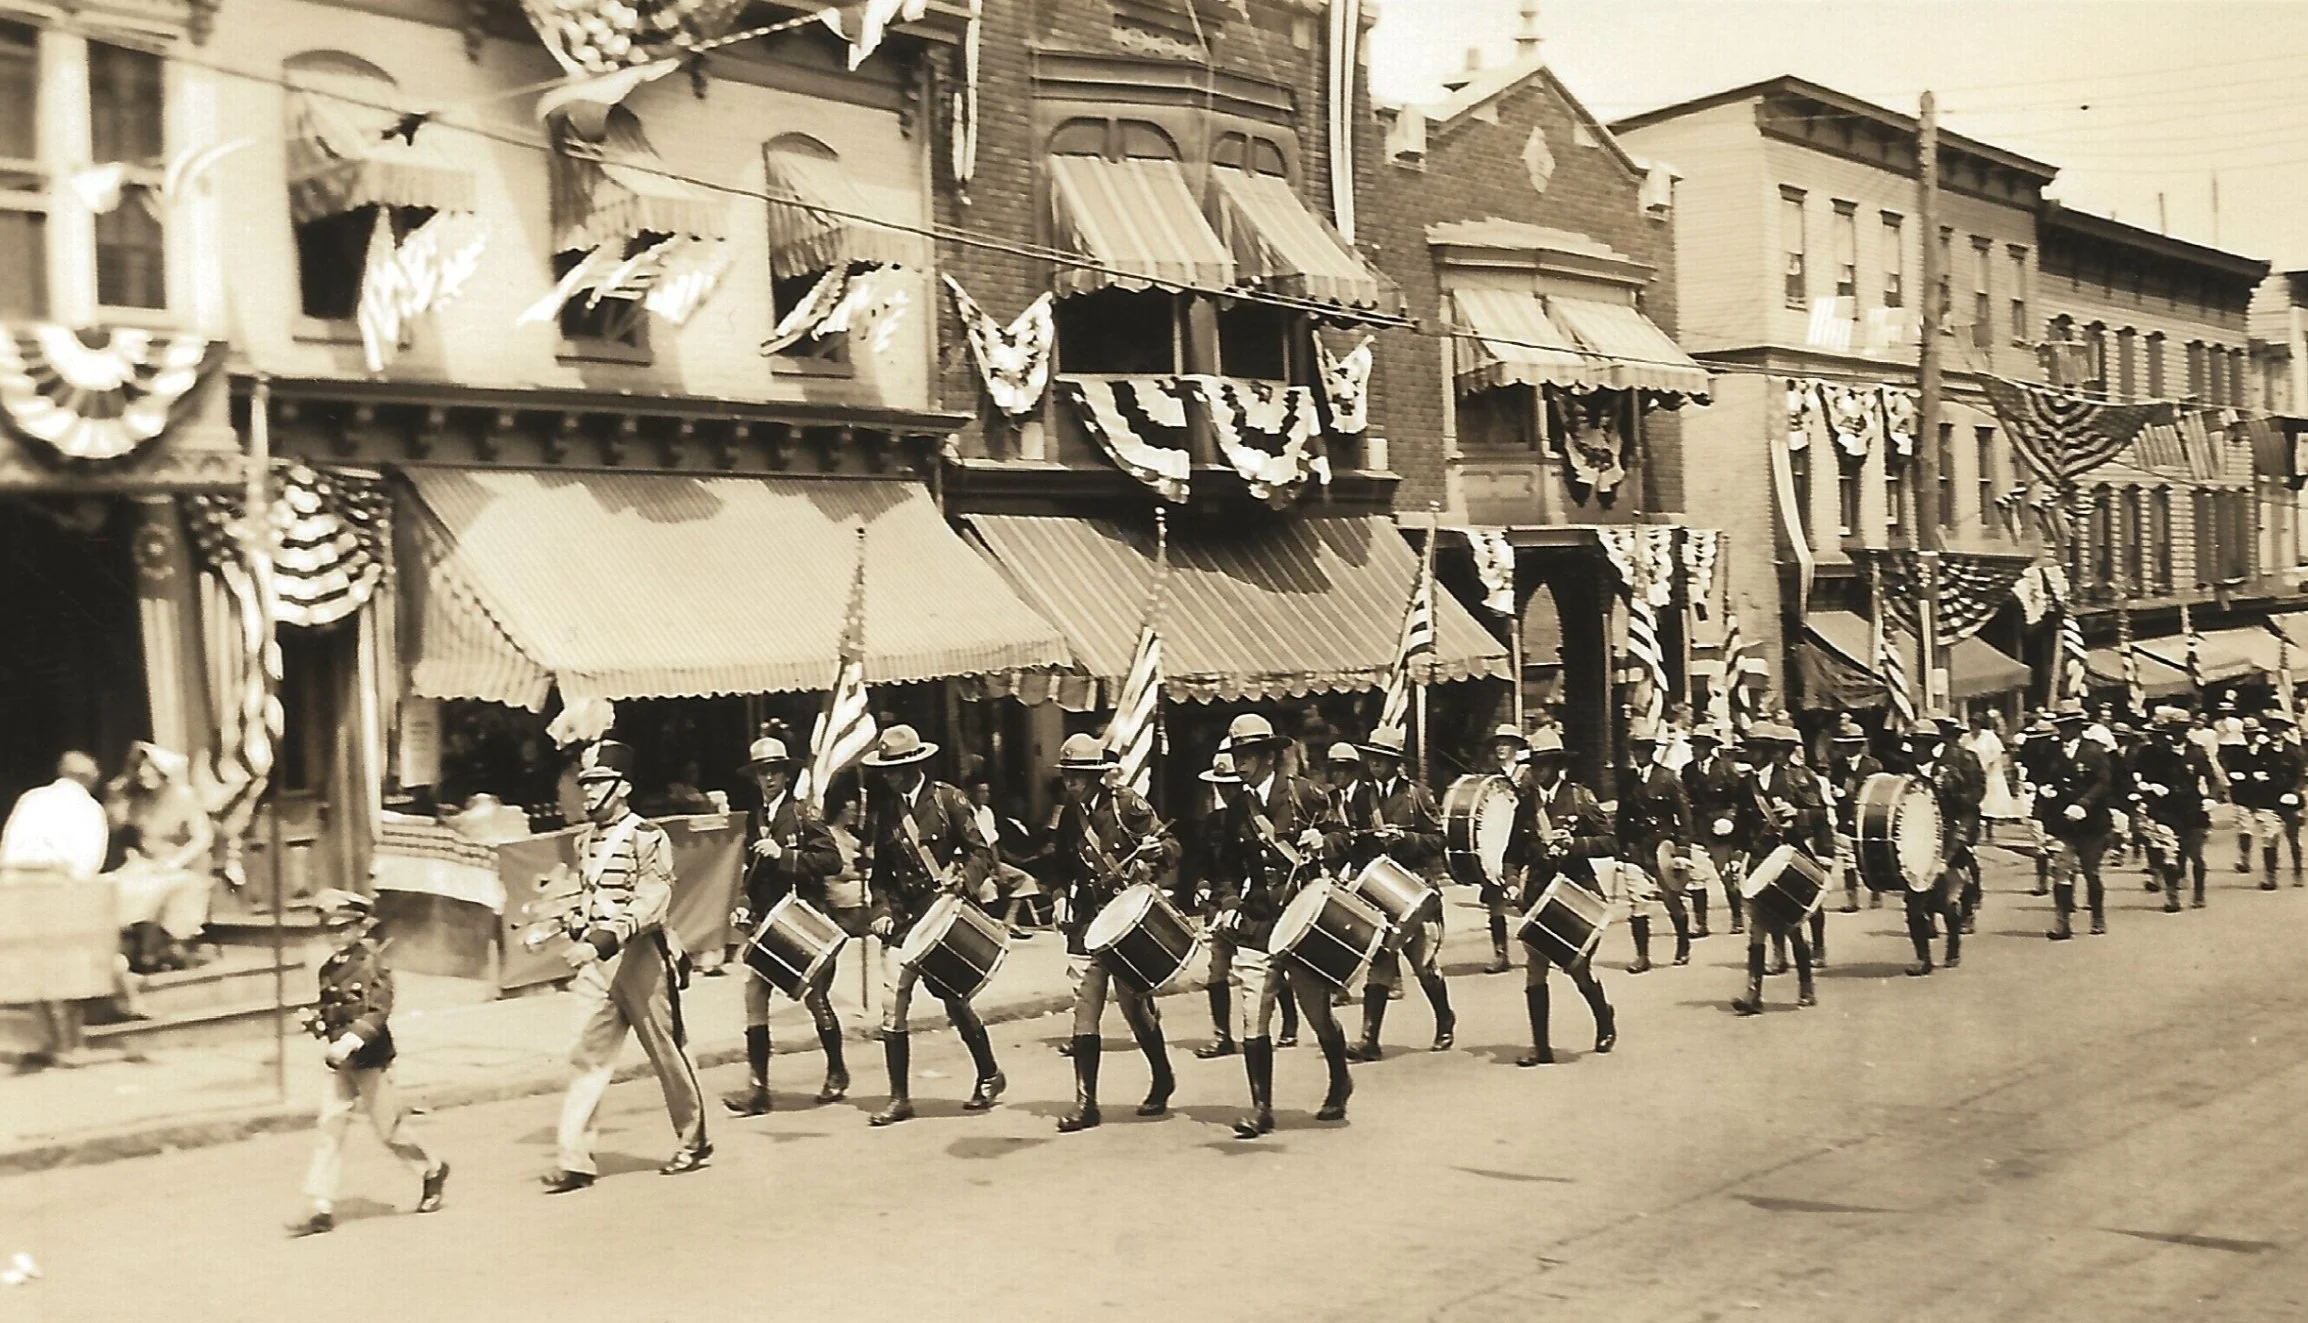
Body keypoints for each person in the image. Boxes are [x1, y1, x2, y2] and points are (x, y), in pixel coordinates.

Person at [541, 740, 709, 1193]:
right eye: (586, 784)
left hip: (640, 959)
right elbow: (589, 896)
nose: (589, 793)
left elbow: (653, 901)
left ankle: (694, 1138)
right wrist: (565, 919)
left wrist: (601, 940)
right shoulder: (583, 840)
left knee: (667, 1051)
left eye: (599, 784)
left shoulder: (647, 837)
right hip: (597, 966)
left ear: (624, 787)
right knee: (584, 1056)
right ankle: (574, 1158)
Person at [1210, 713, 1349, 1138]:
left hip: (1302, 918)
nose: (1240, 761)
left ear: (1269, 755)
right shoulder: (1237, 809)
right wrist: (1231, 902)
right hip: (1258, 921)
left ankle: (1340, 1079)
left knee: (1316, 1013)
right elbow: (1226, 870)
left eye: (1248, 753)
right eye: (1236, 753)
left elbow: (1345, 840)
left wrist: (1322, 843)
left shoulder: (1306, 795)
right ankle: (1261, 1107)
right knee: (1255, 1014)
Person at [860, 725, 1004, 1126]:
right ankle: (899, 1098)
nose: (889, 775)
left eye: (897, 767)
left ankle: (990, 1074)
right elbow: (881, 875)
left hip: (941, 911)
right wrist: (880, 910)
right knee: (893, 1007)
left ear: (915, 765)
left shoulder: (947, 799)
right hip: (904, 921)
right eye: (886, 768)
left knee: (954, 1000)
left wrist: (965, 880)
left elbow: (980, 852)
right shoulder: (884, 811)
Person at [285, 889, 449, 1237]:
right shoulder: (330, 968)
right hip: (341, 1062)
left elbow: (378, 1009)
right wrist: (315, 1021)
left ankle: (431, 1169)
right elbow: (333, 1009)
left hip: (370, 1058)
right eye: (330, 930)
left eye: (343, 928)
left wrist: (350, 1040)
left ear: (361, 927)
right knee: (329, 1127)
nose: (336, 936)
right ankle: (320, 1207)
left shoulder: (372, 962)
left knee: (389, 1131)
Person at [1048, 734, 1179, 1132]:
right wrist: (1057, 897)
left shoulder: (1126, 806)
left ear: (1096, 775)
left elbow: (1171, 844)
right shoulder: (1069, 815)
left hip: (1127, 922)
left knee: (1133, 1007)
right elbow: (1059, 865)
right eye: (1068, 775)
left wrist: (1157, 852)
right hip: (1090, 922)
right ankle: (1086, 1104)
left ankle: (1162, 1076)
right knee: (1085, 1006)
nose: (1071, 783)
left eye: (1079, 775)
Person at [722, 735, 847, 1118]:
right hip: (768, 922)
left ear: (786, 774)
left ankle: (837, 1071)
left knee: (815, 997)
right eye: (762, 772)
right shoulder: (755, 818)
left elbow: (832, 861)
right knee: (754, 996)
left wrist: (786, 856)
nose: (769, 778)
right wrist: (743, 904)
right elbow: (751, 871)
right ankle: (758, 1089)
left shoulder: (804, 814)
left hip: (804, 920)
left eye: (774, 771)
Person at [1505, 727, 1619, 1065]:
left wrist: (1576, 844)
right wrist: (1512, 882)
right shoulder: (1526, 805)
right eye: (1535, 765)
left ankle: (1604, 1018)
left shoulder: (1580, 798)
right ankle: (1541, 1047)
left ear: (1558, 766)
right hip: (1540, 897)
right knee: (1535, 969)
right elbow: (1513, 852)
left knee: (1577, 968)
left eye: (1546, 765)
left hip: (1578, 895)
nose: (1539, 772)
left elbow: (1610, 842)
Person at [1341, 727, 1456, 1061]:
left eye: (1383, 759)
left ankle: (1445, 1019)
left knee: (1422, 964)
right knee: (1380, 963)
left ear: (1395, 763)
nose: (1375, 764)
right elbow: (1355, 842)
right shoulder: (1361, 797)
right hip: (1379, 892)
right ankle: (1369, 1040)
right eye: (1371, 758)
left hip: (1415, 889)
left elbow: (1438, 839)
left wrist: (1407, 840)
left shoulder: (1417, 795)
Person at [0, 752, 120, 1062]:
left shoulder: (31, 799)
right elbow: (88, 861)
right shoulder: (89, 809)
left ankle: (50, 1039)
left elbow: (9, 844)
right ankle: (71, 1043)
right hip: (59, 883)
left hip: (18, 884)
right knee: (69, 964)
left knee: (34, 963)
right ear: (91, 779)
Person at [1731, 723, 1831, 1016]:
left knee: (1792, 928)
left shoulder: (1796, 778)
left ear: (1768, 751)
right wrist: (1737, 858)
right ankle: (1753, 994)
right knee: (1756, 930)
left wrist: (1797, 815)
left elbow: (1821, 815)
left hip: (1790, 859)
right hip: (1761, 861)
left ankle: (1806, 986)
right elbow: (1741, 826)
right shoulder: (1745, 784)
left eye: (1754, 749)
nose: (1749, 754)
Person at [104, 743, 215, 973]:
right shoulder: (140, 800)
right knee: (112, 885)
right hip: (145, 864)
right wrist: (115, 796)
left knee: (163, 888)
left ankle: (159, 948)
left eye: (150, 771)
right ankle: (126, 949)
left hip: (179, 865)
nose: (145, 777)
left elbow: (203, 837)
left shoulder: (184, 796)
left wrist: (175, 862)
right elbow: (120, 826)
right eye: (141, 771)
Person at [1901, 720, 1981, 976]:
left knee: (1946, 902)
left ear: (1931, 746)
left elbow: (1966, 811)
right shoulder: (1905, 775)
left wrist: (1954, 848)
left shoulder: (1948, 774)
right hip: (1915, 846)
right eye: (1913, 745)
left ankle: (1954, 943)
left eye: (1921, 745)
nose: (1916, 750)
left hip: (1947, 844)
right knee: (1913, 905)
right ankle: (1922, 958)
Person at [1615, 720, 1693, 973]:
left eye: (1643, 749)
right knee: (1637, 902)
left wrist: (1683, 851)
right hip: (1636, 849)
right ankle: (1642, 956)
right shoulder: (1626, 780)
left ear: (1652, 751)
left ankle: (1683, 943)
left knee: (1672, 900)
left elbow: (1684, 817)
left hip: (1663, 849)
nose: (1638, 754)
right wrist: (1620, 849)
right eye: (1634, 749)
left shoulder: (1668, 778)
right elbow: (1622, 815)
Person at [2036, 702, 2115, 941]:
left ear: (2079, 727)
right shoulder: (2050, 750)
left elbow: (2103, 783)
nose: (2065, 731)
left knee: (2090, 872)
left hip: (2092, 823)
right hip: (2061, 822)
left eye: (2069, 726)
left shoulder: (2094, 751)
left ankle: (2098, 917)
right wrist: (2045, 789)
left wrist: (2083, 804)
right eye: (2061, 726)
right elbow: (2042, 775)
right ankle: (2062, 921)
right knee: (2061, 870)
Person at [2131, 706, 2219, 912]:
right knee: (2169, 854)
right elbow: (2138, 776)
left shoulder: (2196, 752)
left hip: (2193, 809)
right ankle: (2173, 897)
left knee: (2195, 853)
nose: (2175, 734)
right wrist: (2147, 787)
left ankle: (2199, 893)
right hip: (2166, 810)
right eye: (2172, 730)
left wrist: (2211, 798)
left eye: (2180, 729)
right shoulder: (2155, 753)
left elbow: (2212, 778)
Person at [1683, 723, 1746, 935]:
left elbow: (1740, 799)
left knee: (1728, 875)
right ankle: (1700, 923)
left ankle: (1737, 918)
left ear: (1710, 747)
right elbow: (1685, 801)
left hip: (1721, 830)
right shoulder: (1688, 771)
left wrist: (1730, 819)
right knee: (1696, 877)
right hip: (1697, 829)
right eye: (1693, 745)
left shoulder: (1726, 769)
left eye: (1699, 745)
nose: (1695, 749)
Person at [1480, 724, 1530, 972]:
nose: (1501, 747)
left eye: (1506, 743)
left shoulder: (1528, 774)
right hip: (1498, 842)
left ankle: (1543, 949)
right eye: (1498, 743)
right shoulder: (1490, 777)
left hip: (1524, 840)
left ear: (1517, 746)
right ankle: (1501, 954)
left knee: (1528, 898)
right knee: (1495, 900)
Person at [1824, 715, 1882, 915]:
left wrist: (1853, 793)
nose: (1850, 749)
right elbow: (1832, 785)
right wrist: (1835, 791)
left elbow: (1879, 790)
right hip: (1845, 816)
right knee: (1848, 859)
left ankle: (1875, 891)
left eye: (1853, 744)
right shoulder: (1837, 765)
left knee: (1871, 856)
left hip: (1867, 817)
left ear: (1860, 745)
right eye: (1846, 745)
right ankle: (1852, 899)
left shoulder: (1873, 765)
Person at [1968, 711, 2021, 841]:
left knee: (1990, 803)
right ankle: (1976, 831)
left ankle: (1990, 832)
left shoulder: (1989, 736)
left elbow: (1997, 753)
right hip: (1972, 773)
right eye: (1971, 724)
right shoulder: (1967, 737)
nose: (1973, 727)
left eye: (1976, 724)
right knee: (1975, 803)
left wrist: (1985, 764)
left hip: (1990, 774)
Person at [2269, 710, 2307, 884]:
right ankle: (2271, 874)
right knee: (2270, 837)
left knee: (2292, 837)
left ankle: (2298, 871)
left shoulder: (2294, 751)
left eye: (2278, 728)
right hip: (2270, 798)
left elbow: (2302, 774)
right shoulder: (2264, 750)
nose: (2274, 731)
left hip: (2291, 798)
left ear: (2283, 730)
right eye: (2271, 728)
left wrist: (2295, 791)